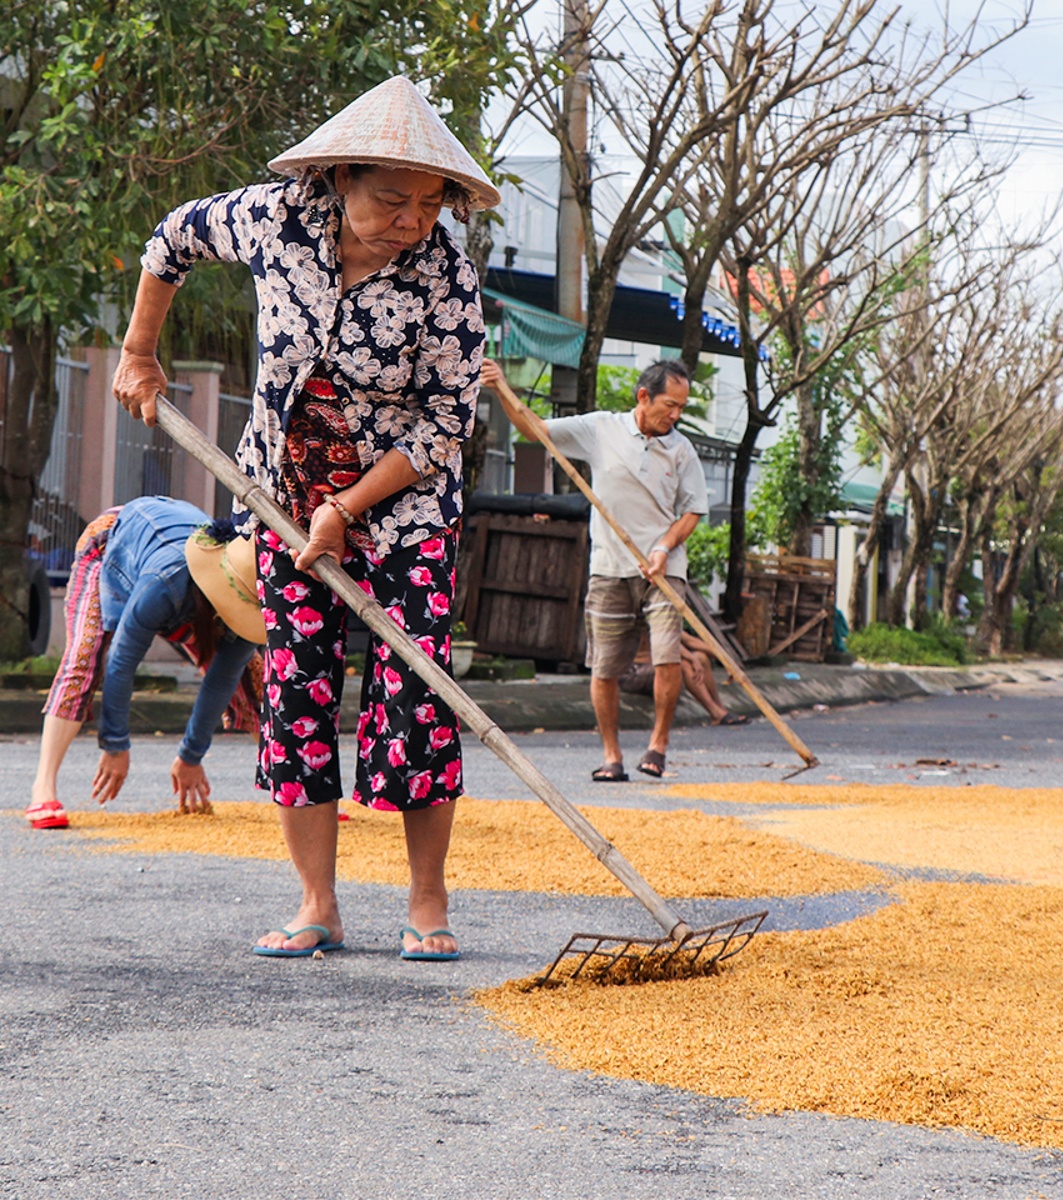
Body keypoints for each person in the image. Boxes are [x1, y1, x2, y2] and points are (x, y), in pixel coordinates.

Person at [111, 76, 494, 961]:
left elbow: (446, 422)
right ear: (340, 180)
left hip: (402, 509)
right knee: (298, 690)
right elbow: (169, 240)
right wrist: (138, 353)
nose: (409, 219)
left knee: (416, 694)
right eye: (390, 199)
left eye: (429, 203)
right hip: (279, 498)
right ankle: (316, 903)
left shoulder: (447, 278)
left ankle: (428, 899)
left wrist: (350, 509)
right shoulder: (273, 219)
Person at [27, 499, 264, 830]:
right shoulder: (166, 583)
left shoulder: (251, 591)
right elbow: (122, 661)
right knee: (84, 657)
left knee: (254, 675)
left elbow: (221, 681)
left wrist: (191, 756)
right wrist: (115, 744)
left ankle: (295, 788)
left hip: (180, 568)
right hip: (114, 544)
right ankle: (43, 787)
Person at [533, 359, 709, 782]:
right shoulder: (602, 429)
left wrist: (665, 547)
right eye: (670, 404)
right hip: (611, 567)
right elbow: (537, 430)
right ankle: (611, 756)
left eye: (682, 407)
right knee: (605, 667)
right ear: (643, 397)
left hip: (664, 570)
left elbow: (693, 511)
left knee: (667, 658)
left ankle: (657, 747)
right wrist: (502, 390)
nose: (676, 415)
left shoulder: (681, 450)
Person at [619, 630, 750, 726]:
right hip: (632, 672)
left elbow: (689, 640)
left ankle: (720, 710)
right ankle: (715, 712)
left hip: (656, 670)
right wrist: (690, 657)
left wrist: (726, 660)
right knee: (682, 663)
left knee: (701, 658)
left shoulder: (661, 611)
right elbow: (667, 641)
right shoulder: (636, 611)